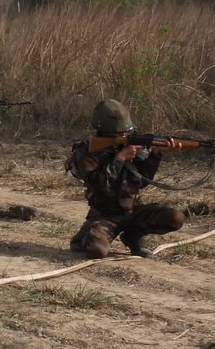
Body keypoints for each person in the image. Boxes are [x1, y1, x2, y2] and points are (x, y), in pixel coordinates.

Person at [67, 99, 185, 258]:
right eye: (119, 134)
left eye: (126, 133)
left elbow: (142, 181)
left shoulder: (132, 145)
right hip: (105, 215)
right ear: (104, 131)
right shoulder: (86, 151)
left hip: (131, 211)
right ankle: (83, 238)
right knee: (96, 251)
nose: (124, 136)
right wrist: (120, 158)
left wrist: (156, 154)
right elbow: (99, 185)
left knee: (174, 218)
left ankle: (132, 237)